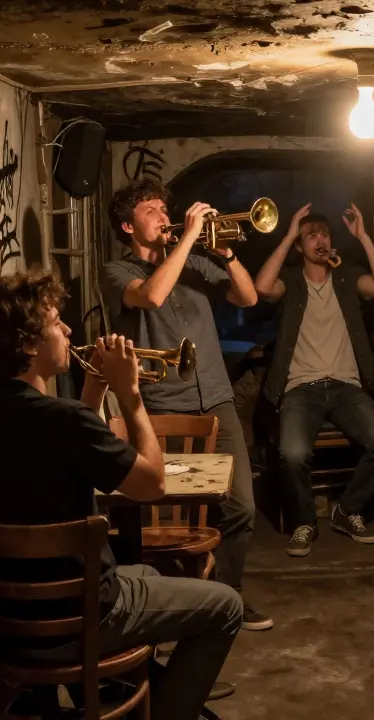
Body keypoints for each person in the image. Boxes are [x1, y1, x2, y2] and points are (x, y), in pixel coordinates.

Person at [0, 272, 241, 720]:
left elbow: (57, 448)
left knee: (144, 572)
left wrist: (94, 391)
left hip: (11, 622)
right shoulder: (63, 420)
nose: (67, 330)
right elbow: (153, 485)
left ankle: (121, 691)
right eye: (56, 322)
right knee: (226, 606)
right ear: (28, 345)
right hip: (82, 618)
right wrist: (131, 397)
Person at [99, 179, 272, 632]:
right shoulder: (116, 270)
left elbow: (248, 297)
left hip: (216, 397)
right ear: (126, 225)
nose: (162, 214)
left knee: (239, 507)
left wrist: (227, 255)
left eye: (163, 208)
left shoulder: (195, 263)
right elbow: (152, 295)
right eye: (150, 210)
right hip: (158, 403)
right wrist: (192, 236)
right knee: (158, 509)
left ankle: (227, 598)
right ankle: (162, 603)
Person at [254, 202, 374, 557]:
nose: (320, 240)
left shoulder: (347, 276)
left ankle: (346, 512)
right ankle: (305, 521)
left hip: (347, 387)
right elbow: (260, 287)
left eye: (325, 234)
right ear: (301, 247)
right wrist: (288, 236)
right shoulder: (289, 280)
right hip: (301, 388)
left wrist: (362, 237)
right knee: (293, 453)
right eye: (311, 235)